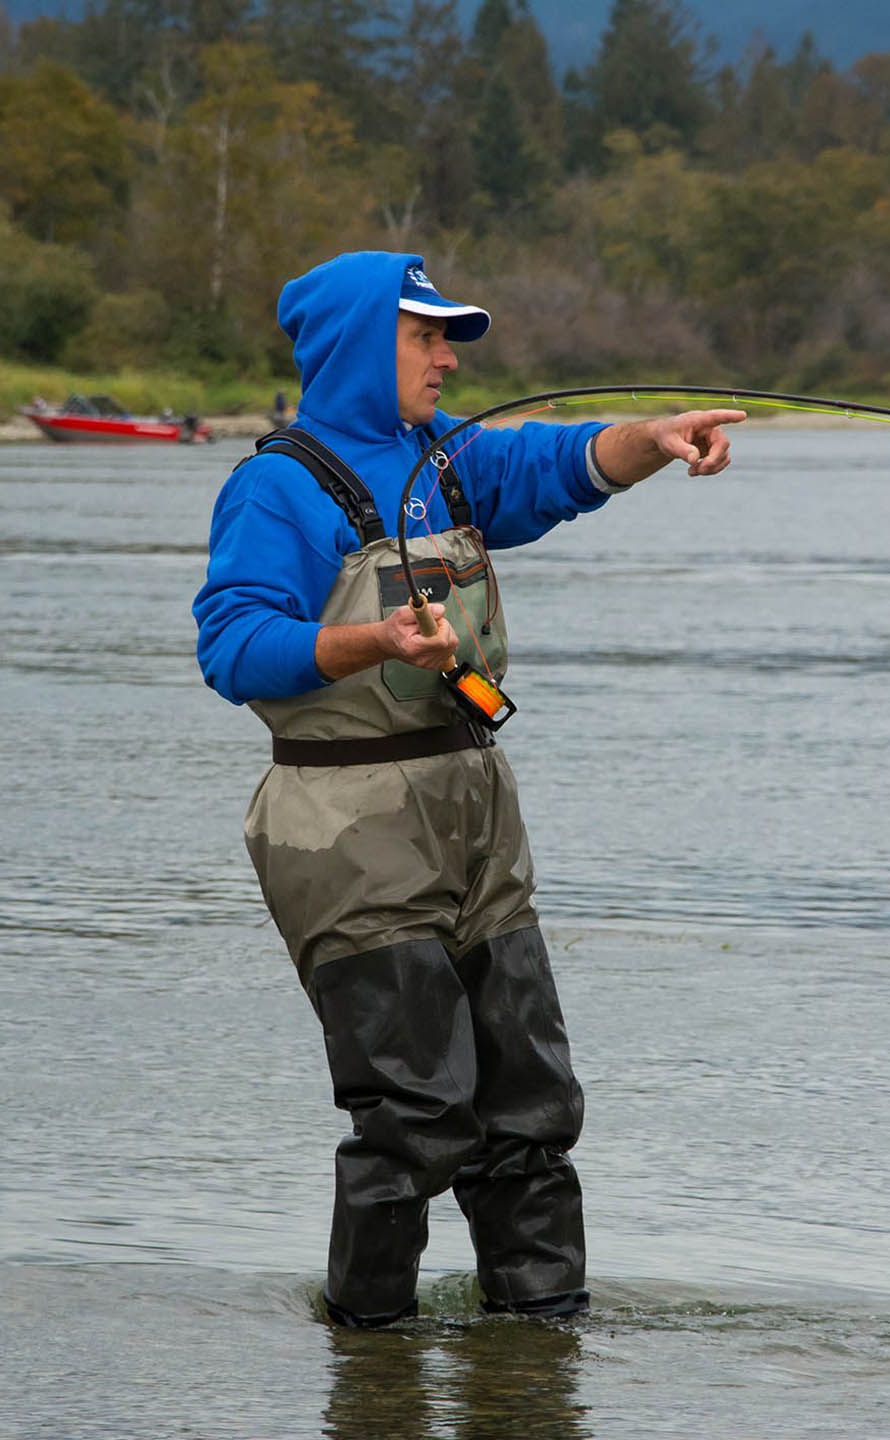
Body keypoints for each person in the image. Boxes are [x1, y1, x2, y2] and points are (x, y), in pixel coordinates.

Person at [193, 251, 742, 1328]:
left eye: (449, 338)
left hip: (475, 813)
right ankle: (371, 1352)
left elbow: (556, 465)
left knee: (529, 1105)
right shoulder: (277, 488)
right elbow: (233, 647)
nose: (448, 357)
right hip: (344, 826)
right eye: (426, 336)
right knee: (417, 1114)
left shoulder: (442, 462)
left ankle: (539, 1346)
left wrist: (654, 437)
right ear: (359, 343)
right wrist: (370, 639)